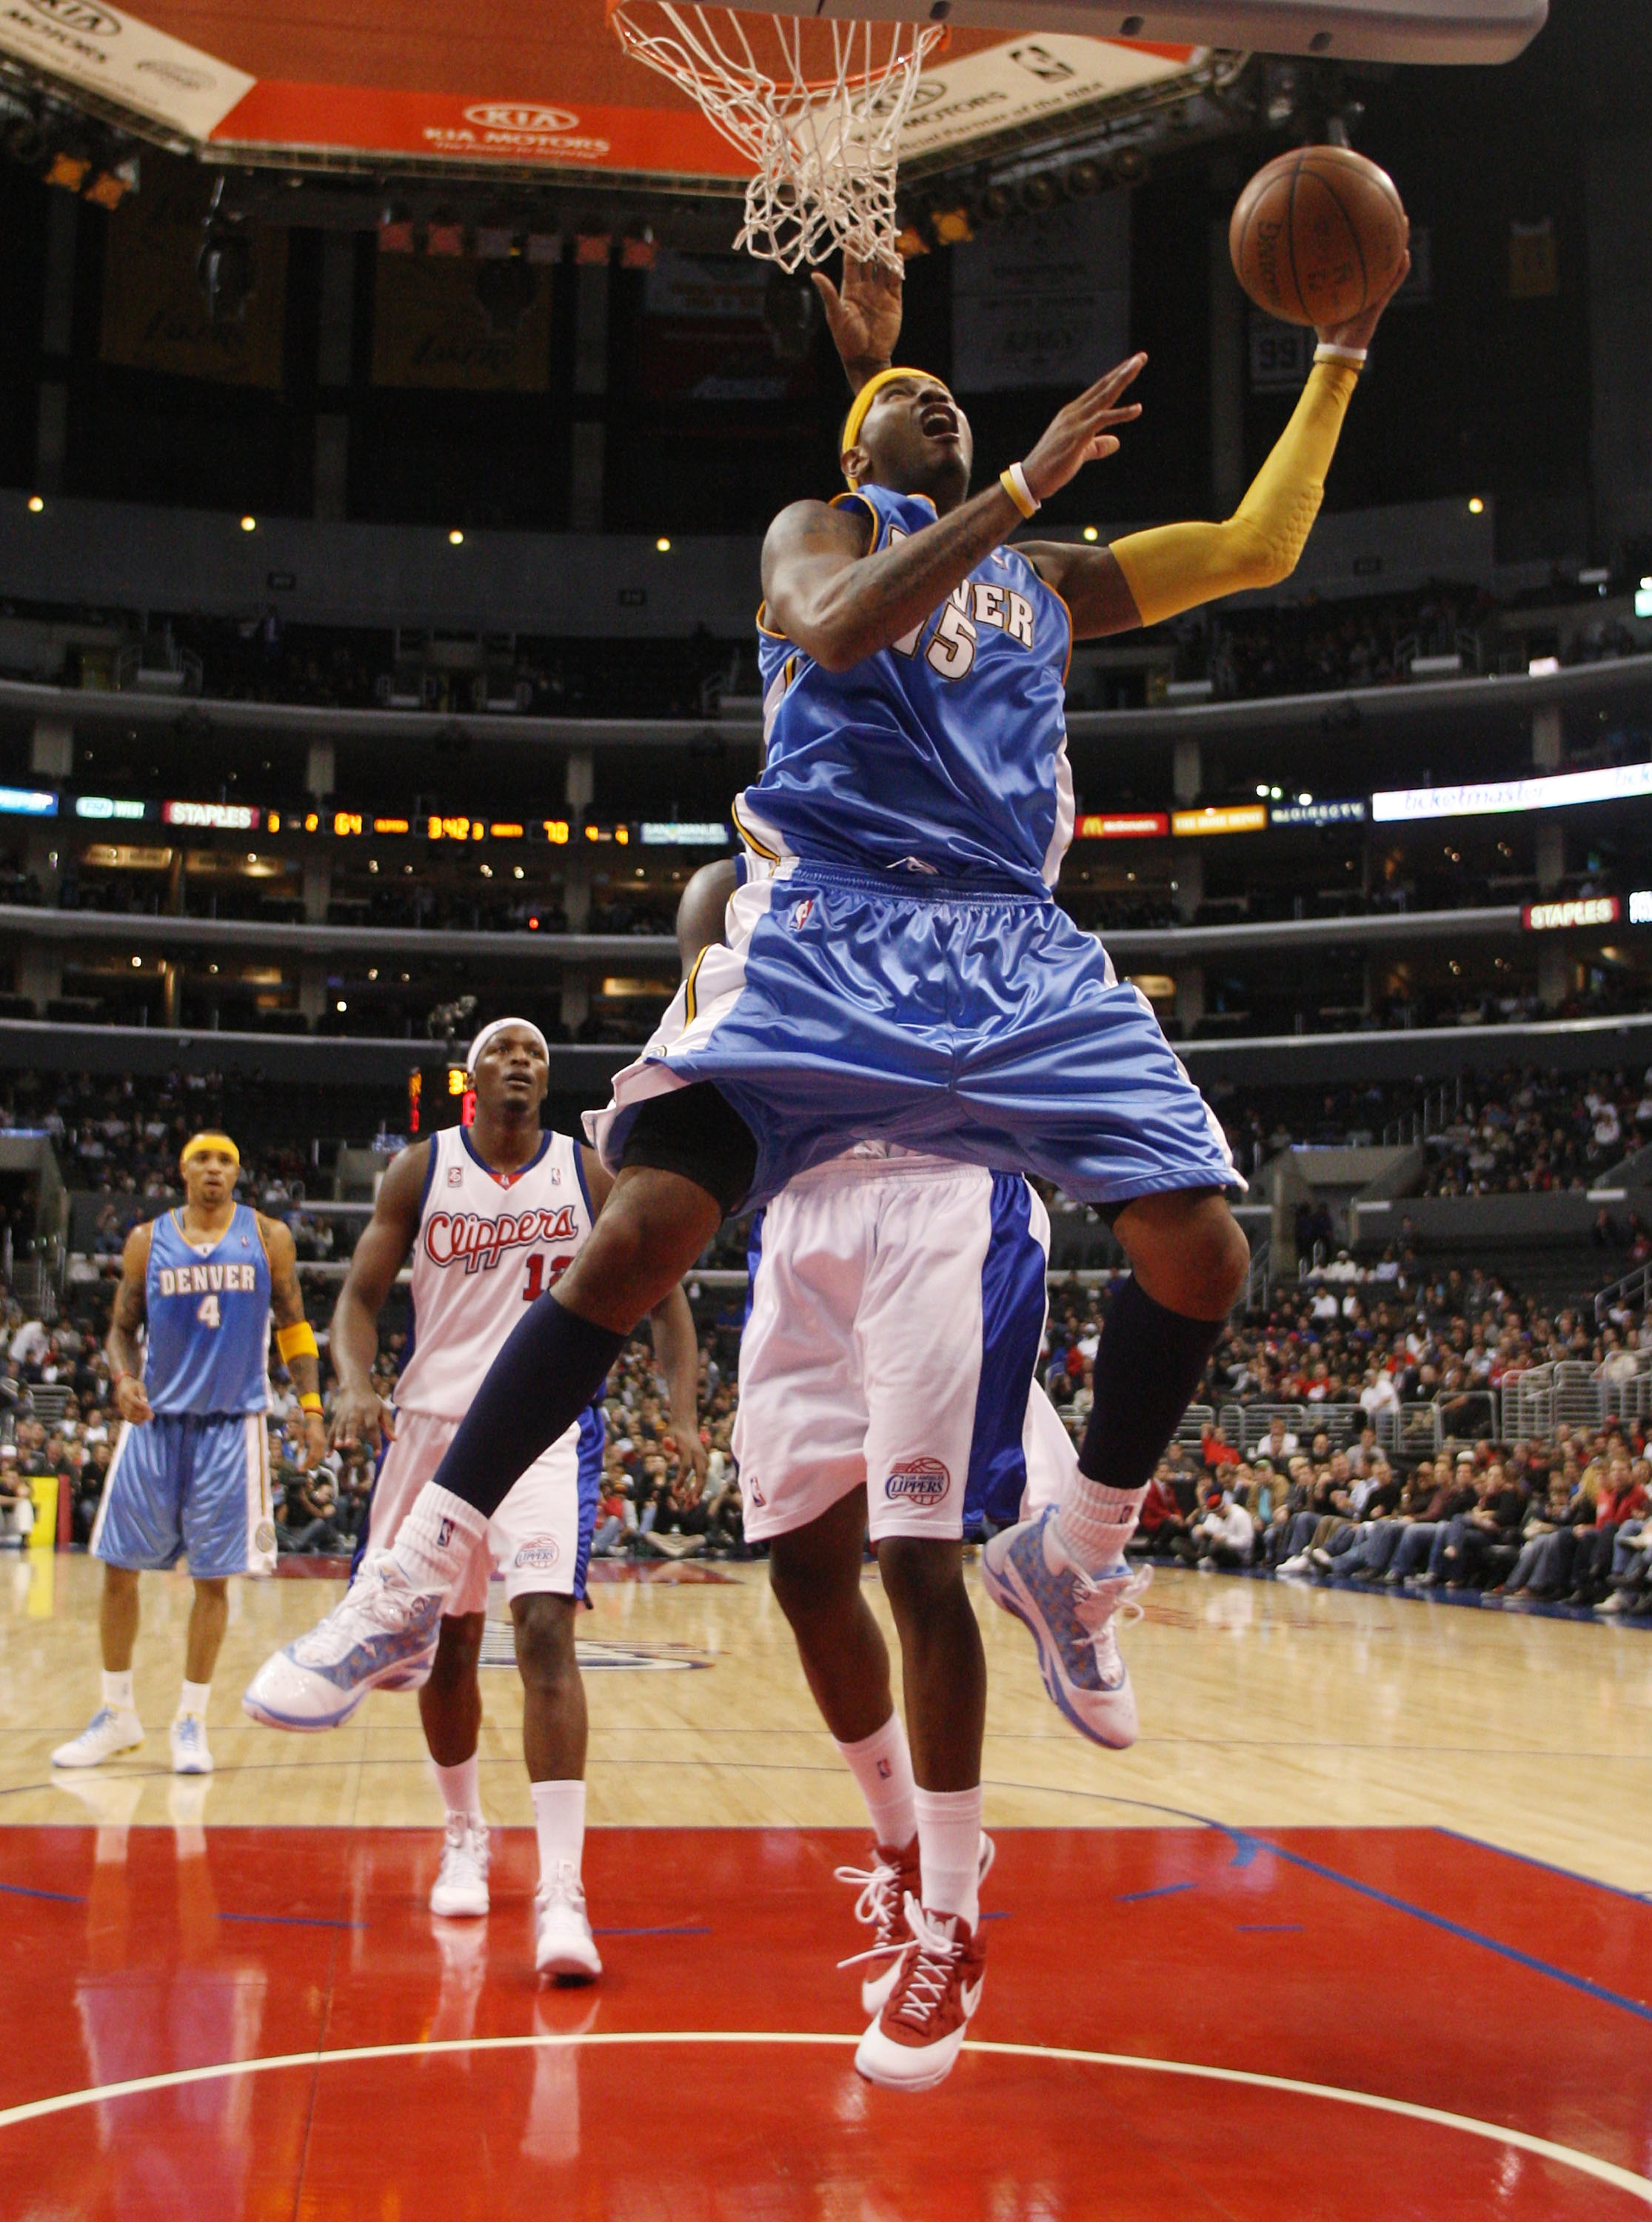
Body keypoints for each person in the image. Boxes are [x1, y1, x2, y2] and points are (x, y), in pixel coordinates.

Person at [247, 244, 1406, 2084]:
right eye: (899, 398)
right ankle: (418, 1561)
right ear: (861, 440)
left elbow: (1256, 547)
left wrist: (1335, 347)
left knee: (1201, 1251)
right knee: (636, 1232)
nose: (928, 397)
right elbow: (850, 621)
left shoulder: (1046, 577)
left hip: (1008, 945)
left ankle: (1075, 1552)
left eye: (945, 399)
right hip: (840, 926)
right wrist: (1001, 484)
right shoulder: (819, 533)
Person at [675, 861, 1136, 2088]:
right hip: (804, 1216)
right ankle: (900, 1849)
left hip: (942, 1194)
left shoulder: (957, 839)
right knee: (801, 1564)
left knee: (916, 1557)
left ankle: (950, 1926)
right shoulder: (733, 882)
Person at [245, 1020, 701, 1983]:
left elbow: (663, 1294)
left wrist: (684, 1411)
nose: (521, 1064)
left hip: (545, 1428)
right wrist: (356, 1382)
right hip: (434, 1424)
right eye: (503, 1051)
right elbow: (359, 1298)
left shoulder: (586, 1172)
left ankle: (562, 1889)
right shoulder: (422, 1168)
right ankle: (463, 1832)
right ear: (472, 1079)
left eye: (534, 1054)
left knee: (543, 1635)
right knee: (446, 1644)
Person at [53, 1131, 324, 1776]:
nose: (213, 1169)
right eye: (202, 1158)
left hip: (232, 1425)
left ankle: (191, 1721)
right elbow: (120, 1329)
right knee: (119, 1569)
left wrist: (311, 1407)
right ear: (182, 1171)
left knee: (212, 1580)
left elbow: (293, 1323)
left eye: (225, 1159)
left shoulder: (267, 1236)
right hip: (156, 1422)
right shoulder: (148, 1239)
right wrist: (122, 1380)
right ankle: (117, 1712)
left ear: (237, 1172)